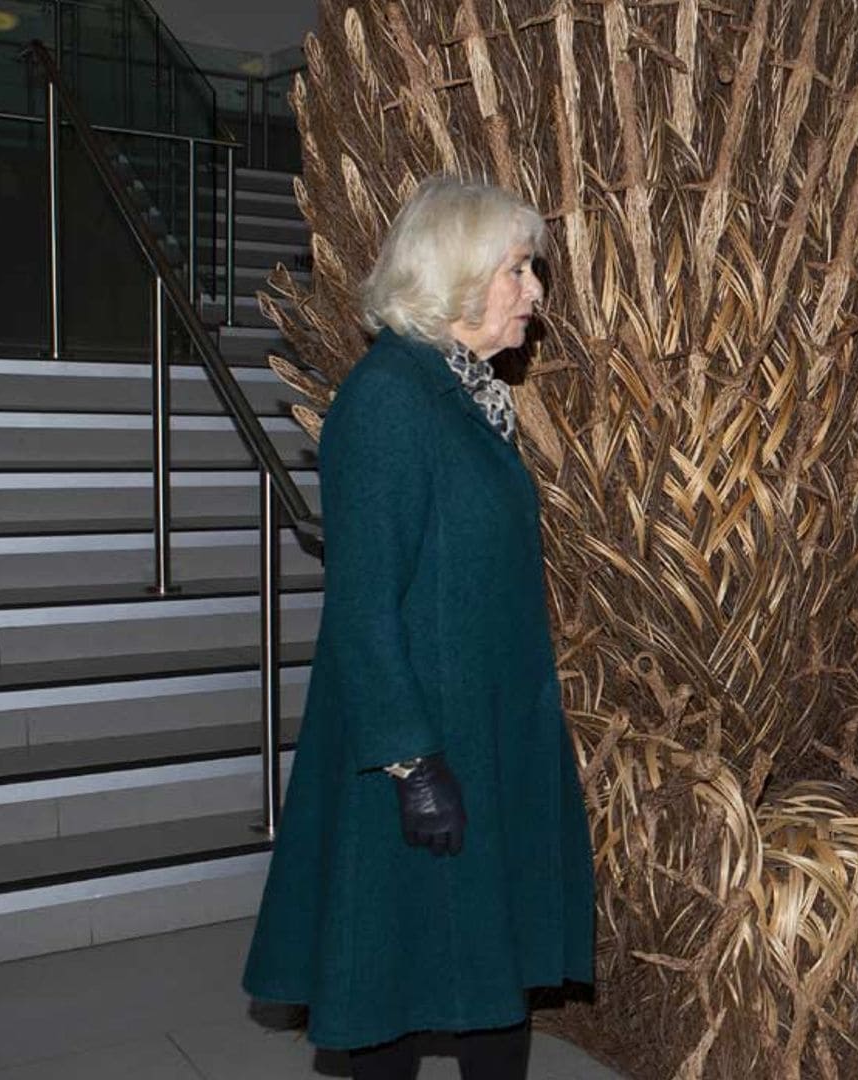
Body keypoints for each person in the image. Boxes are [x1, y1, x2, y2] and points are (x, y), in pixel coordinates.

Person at [243, 176, 596, 1080]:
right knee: (391, 981)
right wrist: (413, 764)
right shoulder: (391, 399)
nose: (535, 291)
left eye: (532, 268)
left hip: (485, 725)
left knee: (490, 965)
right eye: (518, 268)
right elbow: (363, 604)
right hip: (419, 744)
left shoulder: (466, 391)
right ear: (456, 273)